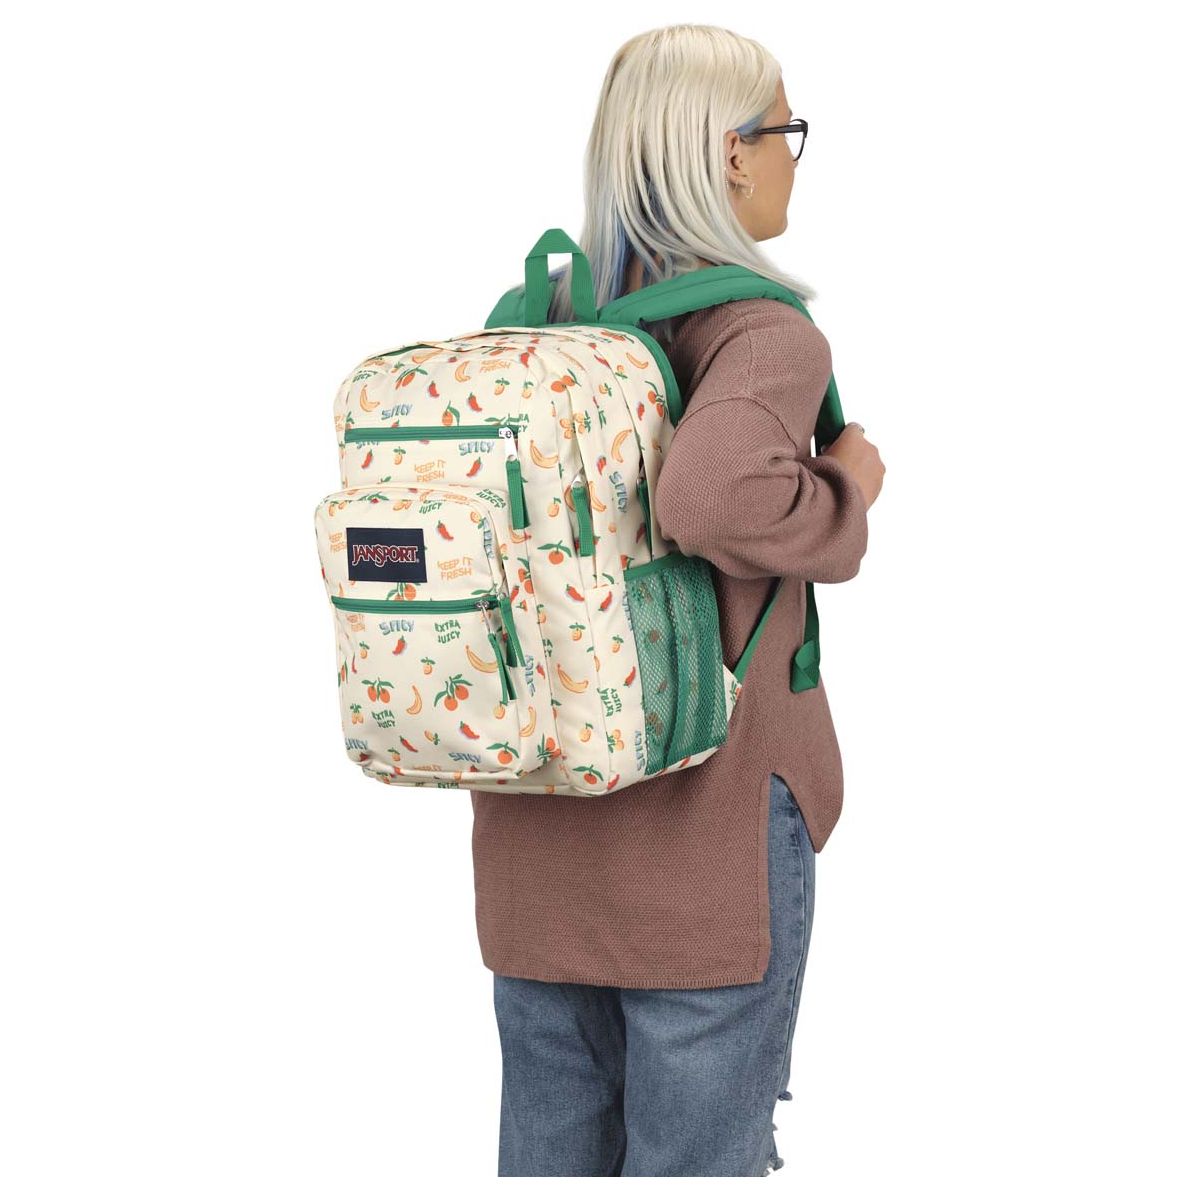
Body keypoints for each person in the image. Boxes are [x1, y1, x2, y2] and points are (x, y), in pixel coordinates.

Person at [470, 23, 887, 1177]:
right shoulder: (760, 333)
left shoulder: (533, 329)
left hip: (538, 841)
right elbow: (706, 497)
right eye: (786, 130)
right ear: (733, 153)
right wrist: (847, 487)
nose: (794, 156)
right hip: (703, 848)